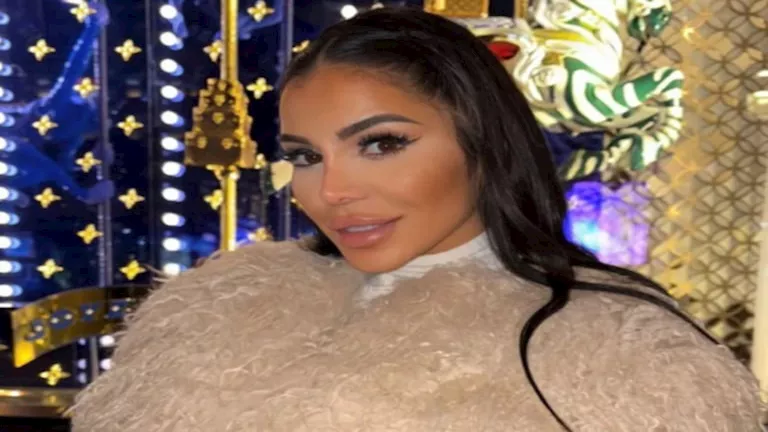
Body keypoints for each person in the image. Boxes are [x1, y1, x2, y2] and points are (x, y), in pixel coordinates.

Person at [71, 7, 765, 431]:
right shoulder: (212, 316)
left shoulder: (624, 360)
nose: (331, 190)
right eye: (305, 156)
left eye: (381, 144)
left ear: (483, 142)